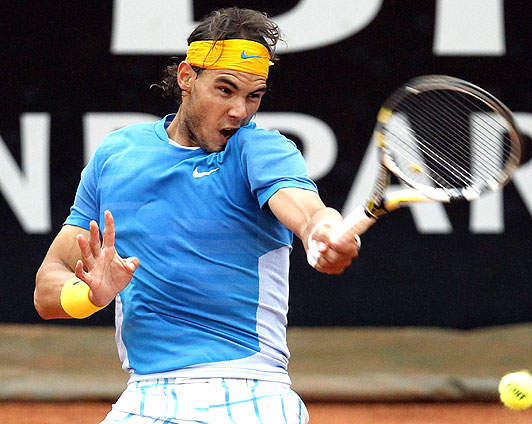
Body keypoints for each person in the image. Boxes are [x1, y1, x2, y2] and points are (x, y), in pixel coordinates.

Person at [34, 7, 359, 424]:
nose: (240, 111)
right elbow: (47, 288)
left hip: (251, 393)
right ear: (187, 77)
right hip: (145, 396)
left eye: (254, 95)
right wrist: (91, 294)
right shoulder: (117, 154)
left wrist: (321, 231)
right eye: (225, 89)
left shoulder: (261, 150)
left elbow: (307, 212)